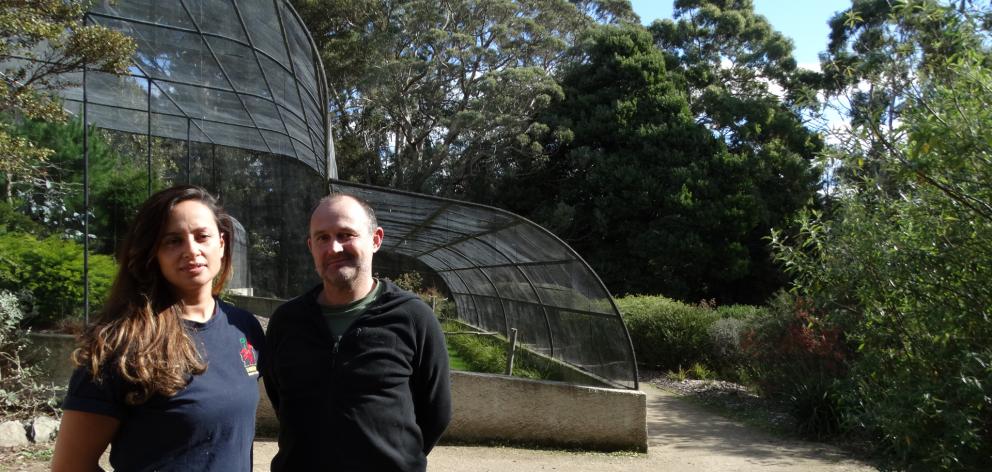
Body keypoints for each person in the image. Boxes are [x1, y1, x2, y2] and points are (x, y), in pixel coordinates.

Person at [51, 185, 264, 472]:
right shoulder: (120, 345)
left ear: (222, 244)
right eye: (173, 241)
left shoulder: (244, 327)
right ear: (154, 253)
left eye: (202, 236)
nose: (191, 250)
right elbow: (70, 466)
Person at [262, 193, 451, 471]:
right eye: (322, 238)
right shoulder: (286, 322)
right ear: (310, 246)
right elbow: (280, 401)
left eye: (346, 234)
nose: (334, 248)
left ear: (375, 239)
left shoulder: (412, 317)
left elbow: (435, 413)